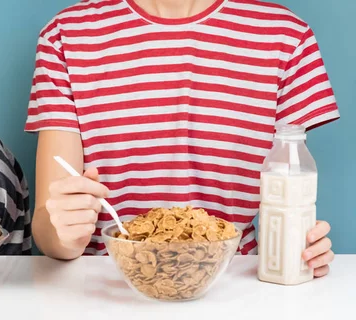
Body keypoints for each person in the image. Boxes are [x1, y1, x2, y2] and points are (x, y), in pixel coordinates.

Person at [24, 0, 339, 276]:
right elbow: (46, 223)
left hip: (236, 287)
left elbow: (286, 196)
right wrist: (65, 236)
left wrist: (299, 250)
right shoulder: (66, 36)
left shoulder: (288, 38)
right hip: (105, 286)